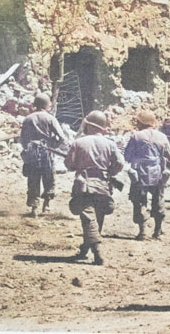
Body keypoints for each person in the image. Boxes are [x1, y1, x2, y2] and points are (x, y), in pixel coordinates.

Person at [65, 111, 124, 265]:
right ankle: (85, 249)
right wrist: (109, 172)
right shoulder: (110, 143)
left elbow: (69, 165)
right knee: (96, 219)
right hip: (103, 185)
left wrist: (79, 164)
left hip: (84, 186)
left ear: (89, 126)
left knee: (89, 219)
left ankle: (97, 252)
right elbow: (119, 163)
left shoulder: (79, 143)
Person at [124, 110, 170, 240]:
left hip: (140, 174)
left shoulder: (136, 136)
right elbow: (169, 155)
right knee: (159, 200)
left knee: (139, 201)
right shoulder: (162, 137)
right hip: (158, 173)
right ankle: (157, 231)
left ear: (141, 122)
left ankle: (142, 232)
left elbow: (127, 155)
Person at [19, 93, 66, 217]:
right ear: (48, 105)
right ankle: (46, 206)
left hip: (32, 153)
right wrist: (53, 146)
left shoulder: (28, 118)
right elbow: (61, 137)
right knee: (49, 178)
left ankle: (34, 207)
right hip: (47, 152)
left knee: (33, 179)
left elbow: (23, 138)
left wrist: (27, 149)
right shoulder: (50, 118)